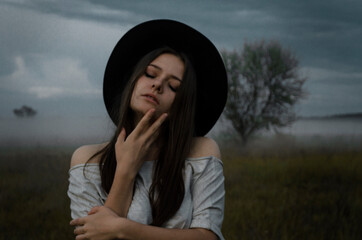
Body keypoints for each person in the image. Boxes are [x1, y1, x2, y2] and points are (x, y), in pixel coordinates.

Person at [67, 19, 228, 240]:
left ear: (181, 105)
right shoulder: (87, 160)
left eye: (174, 86)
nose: (158, 85)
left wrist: (123, 229)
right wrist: (126, 169)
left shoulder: (200, 152)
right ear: (133, 80)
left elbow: (207, 237)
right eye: (151, 74)